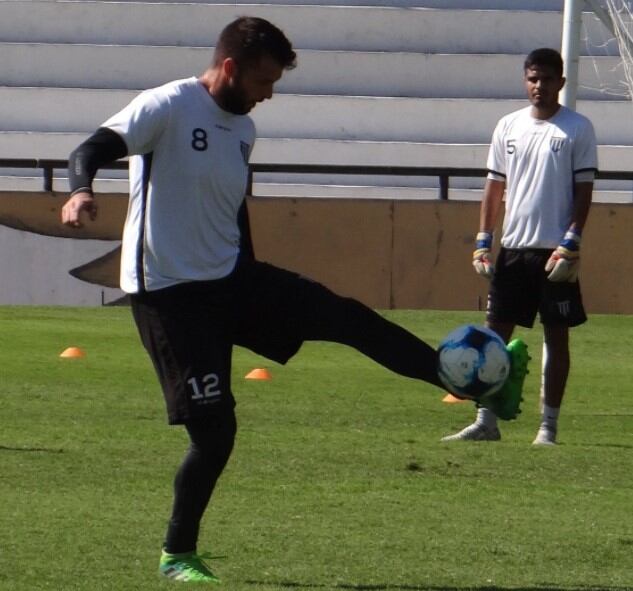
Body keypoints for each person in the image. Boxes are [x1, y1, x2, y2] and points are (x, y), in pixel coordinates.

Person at [61, 17, 525, 583]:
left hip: (231, 278)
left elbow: (231, 205)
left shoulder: (242, 130)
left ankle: (467, 381)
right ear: (229, 67)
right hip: (170, 296)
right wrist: (81, 190)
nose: (268, 94)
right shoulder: (167, 106)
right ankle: (176, 554)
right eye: (262, 81)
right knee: (215, 434)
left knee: (345, 316)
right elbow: (91, 148)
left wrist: (252, 273)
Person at [441, 48, 598, 446]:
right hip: (513, 249)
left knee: (556, 336)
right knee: (494, 337)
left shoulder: (578, 128)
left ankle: (548, 425)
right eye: (532, 78)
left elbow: (584, 190)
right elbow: (494, 186)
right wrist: (483, 240)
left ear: (560, 82)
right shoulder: (508, 126)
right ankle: (486, 420)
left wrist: (572, 241)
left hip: (555, 253)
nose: (539, 86)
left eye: (547, 79)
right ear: (524, 80)